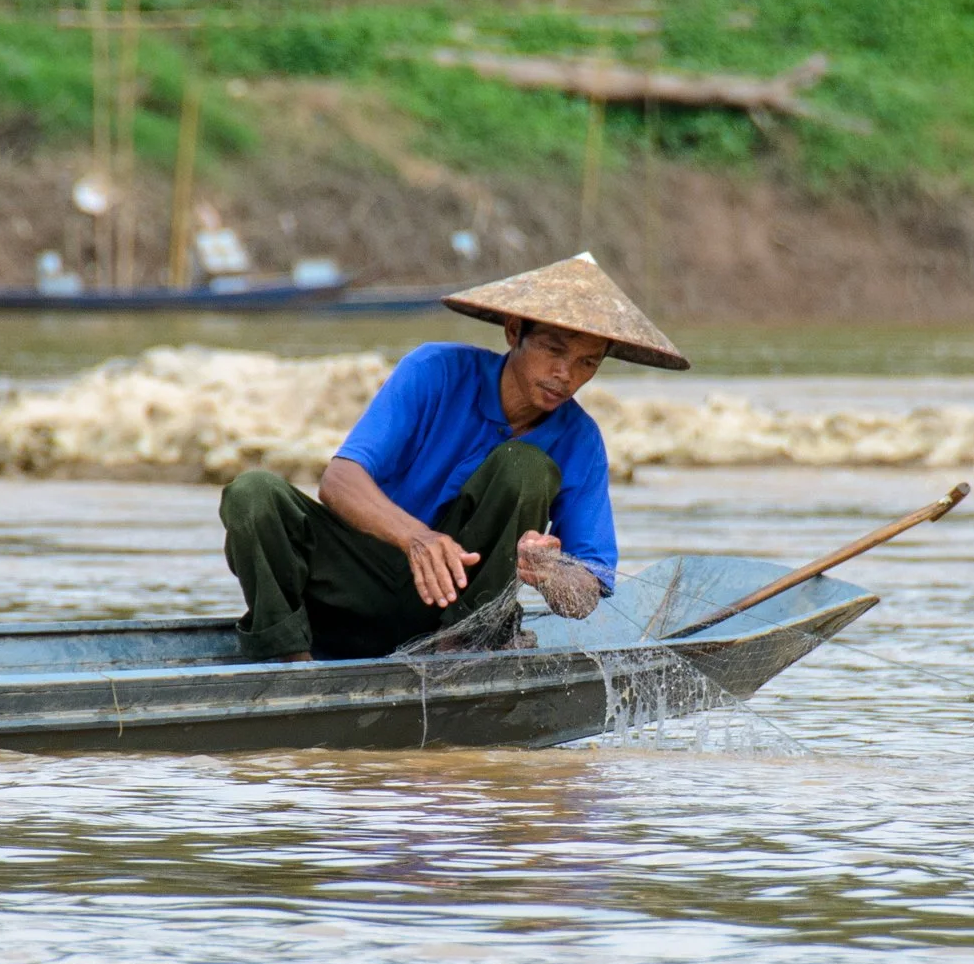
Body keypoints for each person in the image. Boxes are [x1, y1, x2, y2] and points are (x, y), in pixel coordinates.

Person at [218, 253, 689, 660]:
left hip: (462, 615)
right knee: (253, 494)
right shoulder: (435, 371)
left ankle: (463, 654)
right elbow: (340, 480)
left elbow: (587, 591)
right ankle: (288, 658)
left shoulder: (580, 440)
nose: (565, 375)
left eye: (587, 362)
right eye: (552, 350)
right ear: (513, 332)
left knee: (522, 466)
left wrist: (551, 574)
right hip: (356, 588)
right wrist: (417, 539)